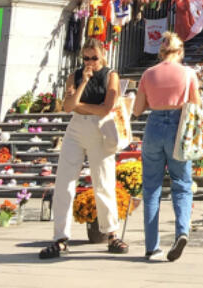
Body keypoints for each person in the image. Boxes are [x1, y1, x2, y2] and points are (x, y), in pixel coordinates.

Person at [40, 42, 128, 258]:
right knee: (64, 182)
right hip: (76, 127)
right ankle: (60, 238)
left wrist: (80, 105)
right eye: (86, 58)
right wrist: (83, 84)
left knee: (104, 182)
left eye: (94, 58)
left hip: (101, 129)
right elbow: (68, 107)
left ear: (103, 57)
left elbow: (106, 108)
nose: (90, 63)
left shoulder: (110, 75)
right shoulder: (75, 75)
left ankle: (112, 234)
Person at [130, 31, 202, 263]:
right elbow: (196, 104)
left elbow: (138, 109)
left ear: (161, 52)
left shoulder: (148, 74)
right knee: (181, 183)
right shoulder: (188, 73)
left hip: (154, 125)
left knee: (151, 188)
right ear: (180, 51)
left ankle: (152, 247)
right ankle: (182, 230)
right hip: (177, 127)